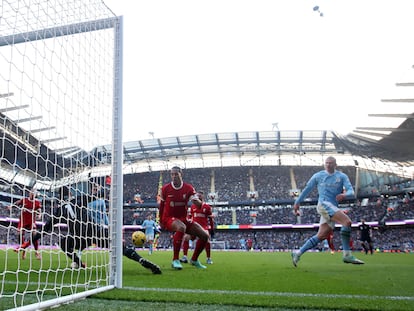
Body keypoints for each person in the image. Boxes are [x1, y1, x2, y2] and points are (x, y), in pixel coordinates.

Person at [32, 184, 161, 274]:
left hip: (79, 238)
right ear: (70, 193)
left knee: (63, 243)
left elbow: (46, 228)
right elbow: (98, 196)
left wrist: (35, 238)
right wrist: (100, 190)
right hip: (94, 231)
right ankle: (141, 260)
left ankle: (78, 262)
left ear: (59, 198)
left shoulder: (59, 211)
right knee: (119, 247)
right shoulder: (79, 199)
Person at [291, 156, 364, 266]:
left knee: (321, 236)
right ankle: (347, 255)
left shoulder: (342, 176)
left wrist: (344, 195)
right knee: (347, 222)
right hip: (323, 204)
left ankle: (298, 253)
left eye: (331, 163)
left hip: (332, 206)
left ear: (335, 165)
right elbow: (307, 189)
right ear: (324, 164)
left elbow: (351, 192)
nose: (328, 165)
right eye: (326, 163)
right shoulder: (318, 176)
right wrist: (297, 202)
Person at [159, 166, 209, 270]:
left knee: (204, 235)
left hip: (183, 219)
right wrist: (161, 221)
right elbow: (162, 206)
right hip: (169, 218)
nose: (174, 176)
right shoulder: (165, 189)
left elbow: (198, 203)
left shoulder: (188, 188)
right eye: (172, 174)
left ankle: (194, 260)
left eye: (176, 174)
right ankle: (175, 260)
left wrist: (197, 201)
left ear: (181, 174)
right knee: (181, 227)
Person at [180, 191, 215, 264]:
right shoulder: (192, 207)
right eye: (198, 195)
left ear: (202, 197)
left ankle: (208, 258)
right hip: (194, 227)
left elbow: (211, 218)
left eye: (200, 196)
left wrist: (211, 229)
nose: (199, 197)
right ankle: (185, 257)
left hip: (203, 227)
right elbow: (190, 217)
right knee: (186, 237)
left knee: (207, 240)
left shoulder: (207, 207)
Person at [9, 189, 42, 260]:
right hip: (23, 221)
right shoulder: (24, 200)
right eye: (31, 193)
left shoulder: (37, 202)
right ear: (29, 193)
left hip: (31, 221)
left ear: (35, 195)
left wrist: (39, 215)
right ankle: (24, 249)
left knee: (34, 235)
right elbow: (17, 203)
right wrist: (11, 206)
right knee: (20, 234)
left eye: (34, 193)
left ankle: (36, 252)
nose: (32, 194)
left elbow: (39, 210)